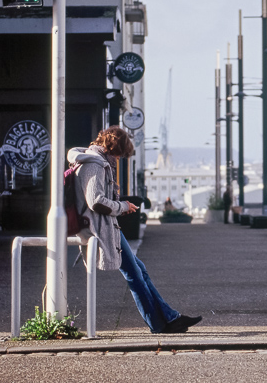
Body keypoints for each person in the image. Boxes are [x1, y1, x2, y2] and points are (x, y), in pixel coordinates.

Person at [67, 126, 201, 334]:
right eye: (120, 154)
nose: (119, 159)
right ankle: (163, 323)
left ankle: (167, 319)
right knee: (134, 274)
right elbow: (95, 202)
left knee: (138, 270)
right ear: (113, 147)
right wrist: (123, 207)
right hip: (101, 227)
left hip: (107, 225)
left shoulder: (95, 161)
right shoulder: (94, 164)